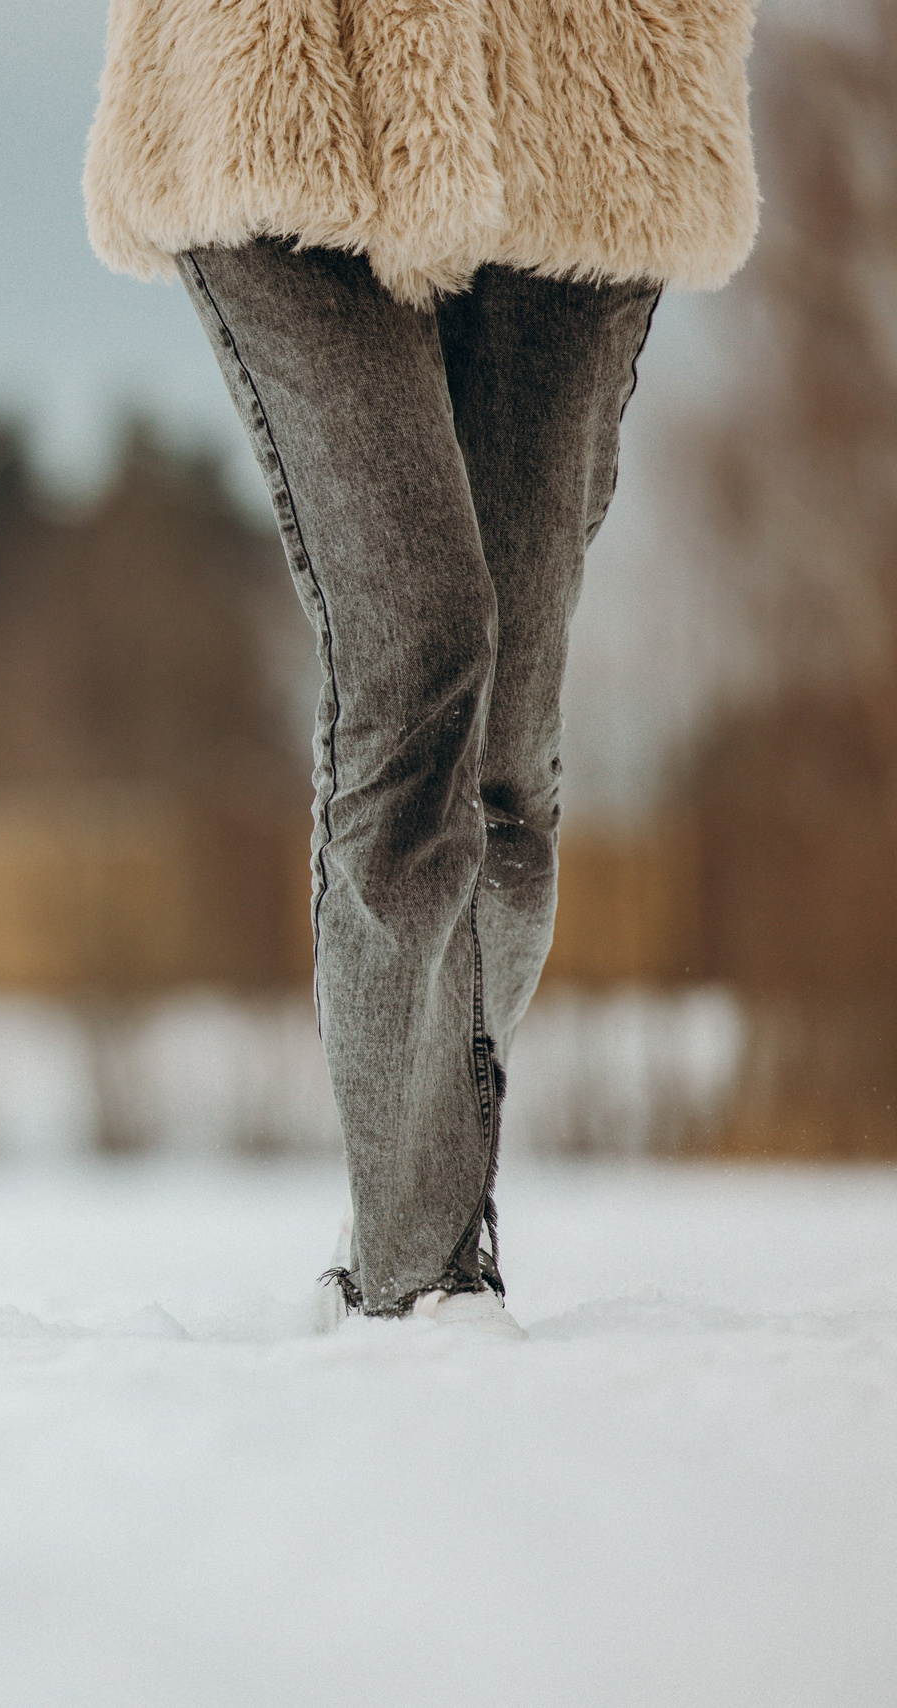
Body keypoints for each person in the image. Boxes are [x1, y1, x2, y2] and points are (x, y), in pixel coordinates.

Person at [82, 0, 760, 1329]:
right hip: (285, 89)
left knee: (506, 750)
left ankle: (421, 1181)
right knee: (423, 649)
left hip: (592, 98)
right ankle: (418, 1275)